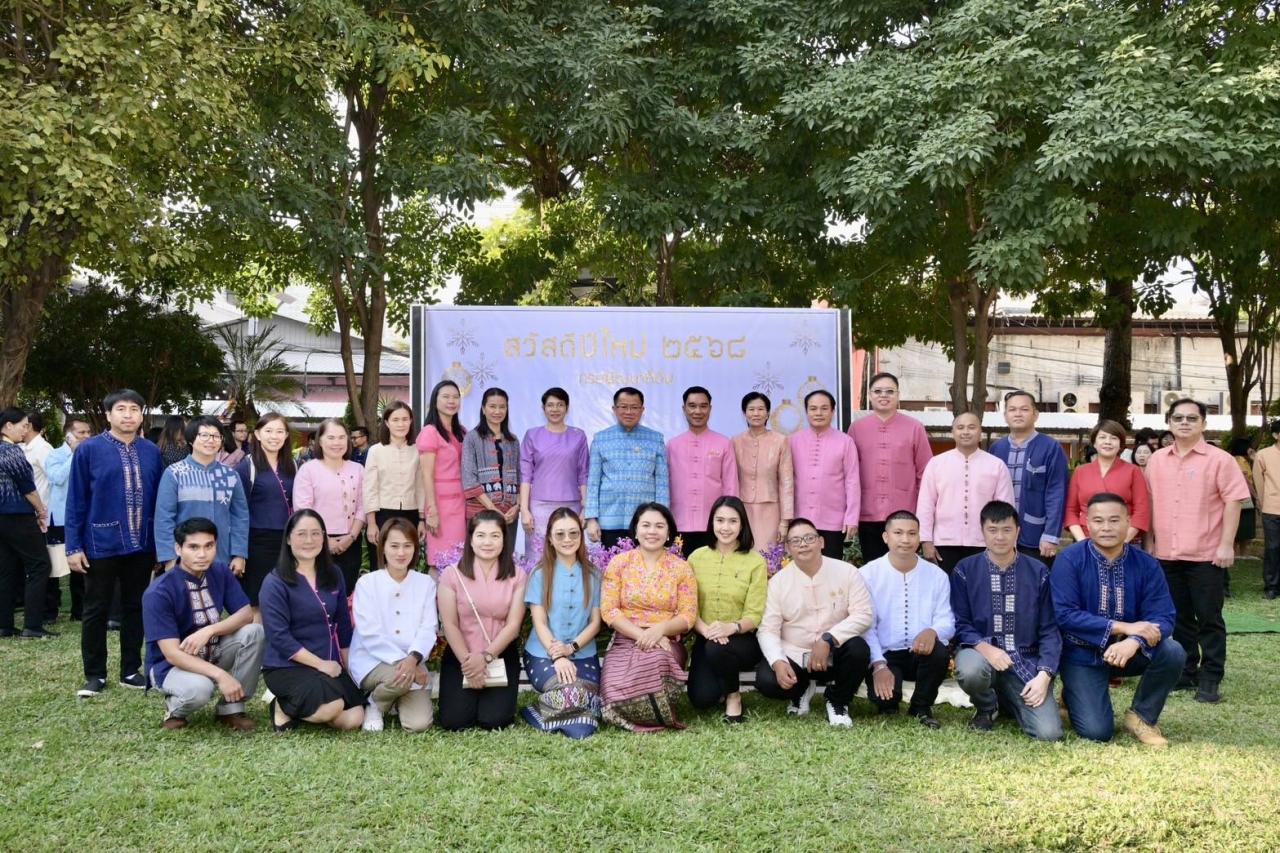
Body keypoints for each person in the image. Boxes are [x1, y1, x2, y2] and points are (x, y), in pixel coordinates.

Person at [1051, 494, 1186, 746]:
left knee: (1172, 651)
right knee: (1097, 732)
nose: (1106, 527)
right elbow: (1065, 614)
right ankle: (1071, 695)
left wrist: (1133, 641)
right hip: (1081, 655)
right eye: (1098, 521)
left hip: (1127, 653)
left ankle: (1142, 717)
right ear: (1087, 523)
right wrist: (1124, 627)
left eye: (1114, 520)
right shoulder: (1069, 559)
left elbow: (1164, 616)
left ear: (1128, 521)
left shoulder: (1146, 564)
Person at [1145, 398, 1249, 704]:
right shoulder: (1157, 460)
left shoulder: (1220, 460)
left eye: (1192, 418)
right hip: (1167, 552)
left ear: (1204, 423)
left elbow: (1234, 501)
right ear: (1169, 423)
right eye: (1178, 418)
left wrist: (1227, 544)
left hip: (1207, 553)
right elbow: (1149, 503)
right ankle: (1186, 670)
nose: (1184, 423)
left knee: (1209, 618)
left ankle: (1210, 676)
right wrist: (1150, 542)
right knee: (1178, 618)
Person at [66, 389, 164, 696]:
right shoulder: (89, 450)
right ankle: (95, 674)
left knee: (136, 607)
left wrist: (161, 544)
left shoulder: (151, 451)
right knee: (96, 609)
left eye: (134, 409)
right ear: (108, 414)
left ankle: (130, 670)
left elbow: (160, 500)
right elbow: (76, 500)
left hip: (142, 544)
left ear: (141, 415)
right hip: (100, 542)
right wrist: (73, 546)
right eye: (121, 409)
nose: (128, 415)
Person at [951, 501, 1062, 740]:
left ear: (1018, 531)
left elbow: (1050, 629)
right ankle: (987, 706)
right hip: (981, 656)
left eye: (1007, 530)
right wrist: (987, 649)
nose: (1000, 537)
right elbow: (960, 623)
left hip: (1025, 662)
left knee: (1049, 733)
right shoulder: (965, 570)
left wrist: (1044, 676)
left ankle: (1009, 699)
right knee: (970, 670)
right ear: (982, 531)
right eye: (992, 530)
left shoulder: (1038, 571)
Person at [141, 517, 263, 731]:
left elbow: (246, 615)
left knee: (254, 632)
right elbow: (172, 654)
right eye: (193, 547)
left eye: (209, 546)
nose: (202, 554)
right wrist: (221, 675)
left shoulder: (220, 571)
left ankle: (231, 709)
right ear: (178, 549)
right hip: (170, 666)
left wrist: (209, 630)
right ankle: (174, 710)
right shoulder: (159, 592)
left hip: (212, 651)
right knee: (201, 688)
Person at [755, 518, 873, 727]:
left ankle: (837, 700)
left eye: (809, 538)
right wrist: (778, 661)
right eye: (795, 540)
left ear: (821, 542)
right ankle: (800, 690)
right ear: (788, 548)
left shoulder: (847, 572)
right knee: (767, 681)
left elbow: (864, 614)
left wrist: (829, 639)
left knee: (859, 650)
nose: (803, 544)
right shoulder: (778, 583)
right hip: (795, 653)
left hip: (835, 653)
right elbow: (767, 629)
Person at [259, 509, 364, 732]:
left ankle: (310, 707)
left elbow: (344, 627)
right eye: (302, 534)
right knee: (332, 707)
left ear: (324, 538)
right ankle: (282, 706)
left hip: (329, 664)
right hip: (287, 666)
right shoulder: (274, 582)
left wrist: (350, 668)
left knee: (355, 718)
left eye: (316, 533)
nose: (309, 540)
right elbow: (280, 638)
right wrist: (321, 665)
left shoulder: (334, 573)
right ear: (288, 539)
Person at [599, 502, 697, 731]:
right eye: (646, 525)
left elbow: (688, 615)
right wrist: (643, 635)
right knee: (612, 684)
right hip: (626, 638)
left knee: (656, 662)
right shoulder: (619, 564)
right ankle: (634, 713)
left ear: (668, 533)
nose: (652, 531)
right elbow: (609, 610)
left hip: (666, 640)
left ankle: (656, 714)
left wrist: (660, 631)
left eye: (659, 526)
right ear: (635, 530)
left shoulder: (681, 568)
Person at [860, 510, 955, 729]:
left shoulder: (937, 575)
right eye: (898, 533)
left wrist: (932, 632)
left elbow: (947, 620)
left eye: (912, 533)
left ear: (919, 537)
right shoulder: (867, 574)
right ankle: (888, 703)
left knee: (939, 652)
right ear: (886, 537)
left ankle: (921, 707)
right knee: (886, 701)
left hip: (920, 653)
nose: (905, 539)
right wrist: (878, 665)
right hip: (884, 655)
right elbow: (865, 626)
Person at [436, 509, 526, 731]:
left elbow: (513, 626)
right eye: (481, 535)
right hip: (461, 654)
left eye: (495, 536)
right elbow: (450, 624)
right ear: (470, 539)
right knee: (455, 721)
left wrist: (485, 658)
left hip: (499, 652)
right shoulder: (451, 574)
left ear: (504, 540)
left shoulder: (518, 575)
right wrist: (469, 664)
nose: (488, 542)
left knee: (494, 720)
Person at [349, 517, 437, 733]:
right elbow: (369, 634)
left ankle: (388, 699)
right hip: (373, 661)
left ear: (415, 548)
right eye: (394, 546)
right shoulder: (367, 583)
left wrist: (413, 660)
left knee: (418, 724)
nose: (401, 553)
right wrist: (405, 663)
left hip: (413, 660)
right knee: (402, 678)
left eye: (407, 546)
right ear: (383, 547)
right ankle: (375, 704)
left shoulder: (425, 583)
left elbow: (428, 628)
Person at [521, 508, 603, 738]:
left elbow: (595, 623)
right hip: (543, 653)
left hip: (583, 653)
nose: (567, 539)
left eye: (573, 533)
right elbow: (539, 622)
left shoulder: (594, 575)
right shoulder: (539, 575)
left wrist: (571, 648)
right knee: (575, 696)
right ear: (550, 538)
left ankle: (545, 711)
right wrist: (558, 655)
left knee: (583, 693)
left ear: (581, 536)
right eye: (560, 534)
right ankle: (574, 714)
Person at [686, 496, 766, 723]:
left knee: (717, 648)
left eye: (733, 521)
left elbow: (755, 614)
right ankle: (720, 683)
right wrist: (708, 631)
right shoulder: (696, 558)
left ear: (742, 525)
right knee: (702, 699)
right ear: (712, 522)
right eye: (720, 520)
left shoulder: (755, 562)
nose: (725, 527)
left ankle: (733, 695)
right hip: (706, 635)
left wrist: (731, 628)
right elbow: (688, 606)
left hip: (743, 639)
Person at [917, 411, 1015, 573]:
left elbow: (1005, 509)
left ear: (980, 432)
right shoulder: (936, 464)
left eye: (971, 427)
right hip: (944, 543)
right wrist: (926, 540)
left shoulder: (996, 465)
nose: (966, 432)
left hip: (985, 543)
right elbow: (926, 504)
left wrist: (1005, 542)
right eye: (960, 427)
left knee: (980, 587)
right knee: (947, 587)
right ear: (953, 432)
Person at [849, 373, 932, 563]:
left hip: (904, 512)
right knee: (873, 566)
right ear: (870, 395)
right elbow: (851, 473)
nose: (883, 395)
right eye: (877, 391)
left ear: (898, 395)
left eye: (889, 391)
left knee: (903, 563)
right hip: (868, 512)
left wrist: (922, 511)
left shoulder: (914, 427)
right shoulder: (856, 428)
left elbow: (925, 473)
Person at [154, 416, 249, 573]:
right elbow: (164, 518)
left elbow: (240, 517)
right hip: (184, 559)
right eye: (204, 435)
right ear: (191, 439)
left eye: (216, 436)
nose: (211, 440)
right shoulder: (175, 473)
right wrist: (169, 557)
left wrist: (239, 554)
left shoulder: (231, 475)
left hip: (222, 557)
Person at [989, 392, 1069, 565]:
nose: (1018, 414)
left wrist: (1051, 535)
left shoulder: (1050, 448)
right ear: (1005, 416)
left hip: (1036, 536)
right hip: (1000, 535)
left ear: (1036, 414)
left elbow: (1057, 493)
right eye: (1012, 409)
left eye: (1024, 409)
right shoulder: (996, 448)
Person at [585, 387, 669, 548]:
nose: (629, 412)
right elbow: (593, 483)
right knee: (610, 563)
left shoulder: (655, 439)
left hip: (645, 522)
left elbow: (662, 484)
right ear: (614, 409)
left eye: (634, 407)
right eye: (623, 407)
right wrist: (591, 519)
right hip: (608, 520)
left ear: (642, 410)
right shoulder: (601, 439)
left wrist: (662, 519)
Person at [294, 418, 365, 592]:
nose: (337, 443)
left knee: (346, 592)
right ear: (320, 441)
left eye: (341, 437)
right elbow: (303, 509)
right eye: (331, 438)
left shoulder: (358, 469)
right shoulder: (308, 470)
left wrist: (351, 537)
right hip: (316, 542)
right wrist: (325, 540)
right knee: (319, 593)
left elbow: (363, 505)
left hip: (351, 542)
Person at [233, 413, 295, 614]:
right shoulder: (246, 467)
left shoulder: (293, 465)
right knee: (258, 601)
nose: (274, 436)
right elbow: (238, 512)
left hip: (288, 541)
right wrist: (239, 552)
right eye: (268, 431)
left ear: (286, 435)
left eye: (279, 431)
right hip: (257, 541)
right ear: (258, 435)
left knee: (286, 599)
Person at [0, 408, 54, 638]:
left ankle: (4, 625)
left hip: (2, 519)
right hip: (17, 515)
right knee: (40, 565)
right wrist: (41, 510)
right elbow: (28, 488)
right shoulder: (12, 451)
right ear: (8, 426)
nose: (26, 430)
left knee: (6, 570)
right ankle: (32, 625)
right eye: (23, 425)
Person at [667, 386, 739, 556]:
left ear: (710, 409)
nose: (698, 411)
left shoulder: (724, 443)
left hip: (714, 526)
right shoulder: (672, 445)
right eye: (692, 406)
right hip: (679, 523)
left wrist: (729, 520)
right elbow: (665, 485)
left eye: (703, 406)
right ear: (684, 409)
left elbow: (731, 486)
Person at [790, 390, 859, 559]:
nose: (818, 413)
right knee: (801, 566)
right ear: (806, 411)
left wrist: (851, 517)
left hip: (833, 520)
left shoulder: (845, 442)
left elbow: (852, 481)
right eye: (813, 408)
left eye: (824, 408)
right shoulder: (792, 440)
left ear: (833, 412)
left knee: (831, 566)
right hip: (800, 518)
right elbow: (785, 481)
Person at [518, 387, 589, 544]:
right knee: (538, 552)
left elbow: (583, 473)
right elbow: (525, 475)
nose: (555, 409)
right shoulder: (532, 435)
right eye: (550, 405)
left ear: (567, 408)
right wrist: (524, 509)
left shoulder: (578, 436)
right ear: (543, 408)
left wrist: (586, 508)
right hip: (539, 506)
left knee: (568, 549)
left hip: (572, 505)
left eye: (560, 405)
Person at [1064, 420, 1150, 545]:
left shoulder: (1133, 471)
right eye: (1102, 437)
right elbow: (1071, 510)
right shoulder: (1080, 471)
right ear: (1094, 443)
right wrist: (1082, 542)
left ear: (1121, 444)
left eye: (1113, 438)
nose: (1108, 442)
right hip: (1085, 539)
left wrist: (1121, 542)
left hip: (1124, 540)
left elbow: (1141, 511)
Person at [363, 401, 425, 568]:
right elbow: (370, 488)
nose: (401, 424)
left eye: (405, 419)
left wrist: (422, 519)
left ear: (411, 421)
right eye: (395, 420)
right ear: (386, 422)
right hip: (382, 514)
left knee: (407, 563)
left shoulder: (418, 450)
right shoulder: (376, 451)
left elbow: (421, 487)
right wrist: (371, 523)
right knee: (380, 564)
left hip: (411, 513)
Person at [731, 392, 794, 547]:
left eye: (760, 409)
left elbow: (786, 483)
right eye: (751, 409)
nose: (756, 413)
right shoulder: (735, 441)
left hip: (771, 509)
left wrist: (785, 521)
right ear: (744, 413)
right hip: (742, 508)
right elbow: (731, 478)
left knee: (768, 553)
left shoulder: (780, 441)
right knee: (744, 551)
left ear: (768, 413)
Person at [45, 418, 93, 621]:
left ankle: (79, 611)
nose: (86, 436)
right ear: (68, 436)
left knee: (81, 566)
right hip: (59, 518)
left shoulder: (91, 454)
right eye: (81, 433)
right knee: (55, 567)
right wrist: (74, 454)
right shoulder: (55, 455)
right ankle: (50, 611)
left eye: (88, 432)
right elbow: (57, 478)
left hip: (83, 517)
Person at [417, 380, 467, 568]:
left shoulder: (462, 432)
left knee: (460, 559)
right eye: (446, 397)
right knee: (440, 560)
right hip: (440, 505)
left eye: (455, 397)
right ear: (435, 400)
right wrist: (431, 512)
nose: (451, 401)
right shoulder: (430, 432)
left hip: (461, 503)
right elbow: (426, 475)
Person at [460, 388, 521, 539]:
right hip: (480, 514)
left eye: (502, 407)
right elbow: (469, 479)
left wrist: (517, 507)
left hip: (509, 515)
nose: (497, 411)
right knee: (482, 551)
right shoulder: (472, 438)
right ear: (483, 409)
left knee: (507, 553)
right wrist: (492, 508)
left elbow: (520, 477)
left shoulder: (513, 441)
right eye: (492, 406)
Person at [21, 412, 55, 625]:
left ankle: (49, 609)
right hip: (31, 514)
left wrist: (42, 508)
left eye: (23, 424)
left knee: (45, 562)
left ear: (30, 426)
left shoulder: (43, 449)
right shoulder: (23, 448)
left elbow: (53, 479)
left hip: (43, 514)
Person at [1254, 420, 1280, 599]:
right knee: (1273, 547)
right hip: (1272, 508)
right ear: (1276, 435)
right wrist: (1264, 504)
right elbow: (1259, 482)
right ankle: (1272, 586)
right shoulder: (1263, 455)